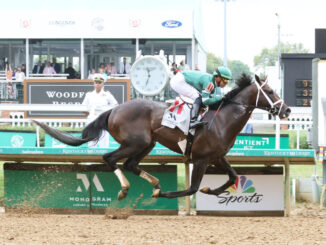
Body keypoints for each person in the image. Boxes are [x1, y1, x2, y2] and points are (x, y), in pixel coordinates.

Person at [82, 74, 118, 148]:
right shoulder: (89, 95)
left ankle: (103, 159)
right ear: (94, 84)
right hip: (92, 120)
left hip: (103, 121)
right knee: (91, 142)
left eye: (99, 83)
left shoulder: (107, 95)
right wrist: (91, 113)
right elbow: (83, 108)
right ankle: (90, 159)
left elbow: (116, 106)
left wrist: (107, 114)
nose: (97, 84)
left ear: (103, 84)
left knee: (104, 143)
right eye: (96, 82)